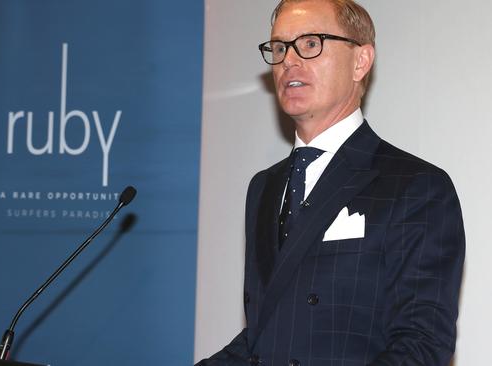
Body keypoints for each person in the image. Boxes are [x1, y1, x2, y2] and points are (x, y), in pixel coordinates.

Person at [196, 0, 465, 365]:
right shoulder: (264, 187)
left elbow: (421, 345)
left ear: (361, 61)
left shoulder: (417, 186)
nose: (289, 60)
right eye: (279, 47)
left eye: (310, 44)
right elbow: (268, 335)